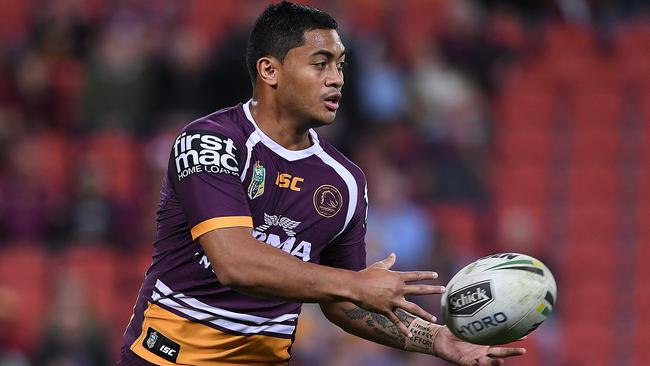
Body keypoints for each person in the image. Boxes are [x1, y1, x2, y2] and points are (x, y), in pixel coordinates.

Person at [118, 2, 525, 365]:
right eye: (320, 63)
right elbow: (234, 263)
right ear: (269, 70)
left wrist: (435, 340)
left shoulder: (344, 180)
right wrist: (354, 284)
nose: (337, 79)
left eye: (340, 65)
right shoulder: (210, 141)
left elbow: (345, 305)